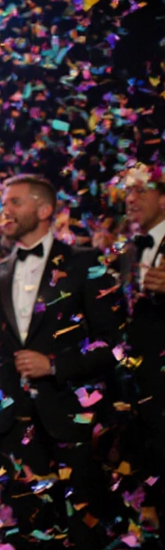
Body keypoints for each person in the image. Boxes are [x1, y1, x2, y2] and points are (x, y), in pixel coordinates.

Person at [0, 175, 120, 548]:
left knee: (82, 531)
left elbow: (112, 344)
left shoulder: (86, 262)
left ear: (44, 210)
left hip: (70, 420)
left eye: (15, 202)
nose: (5, 209)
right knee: (23, 534)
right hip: (12, 427)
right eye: (4, 202)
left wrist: (53, 364)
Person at [120, 163, 165, 534]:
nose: (130, 199)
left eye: (140, 190)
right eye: (127, 192)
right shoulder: (128, 250)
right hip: (137, 393)